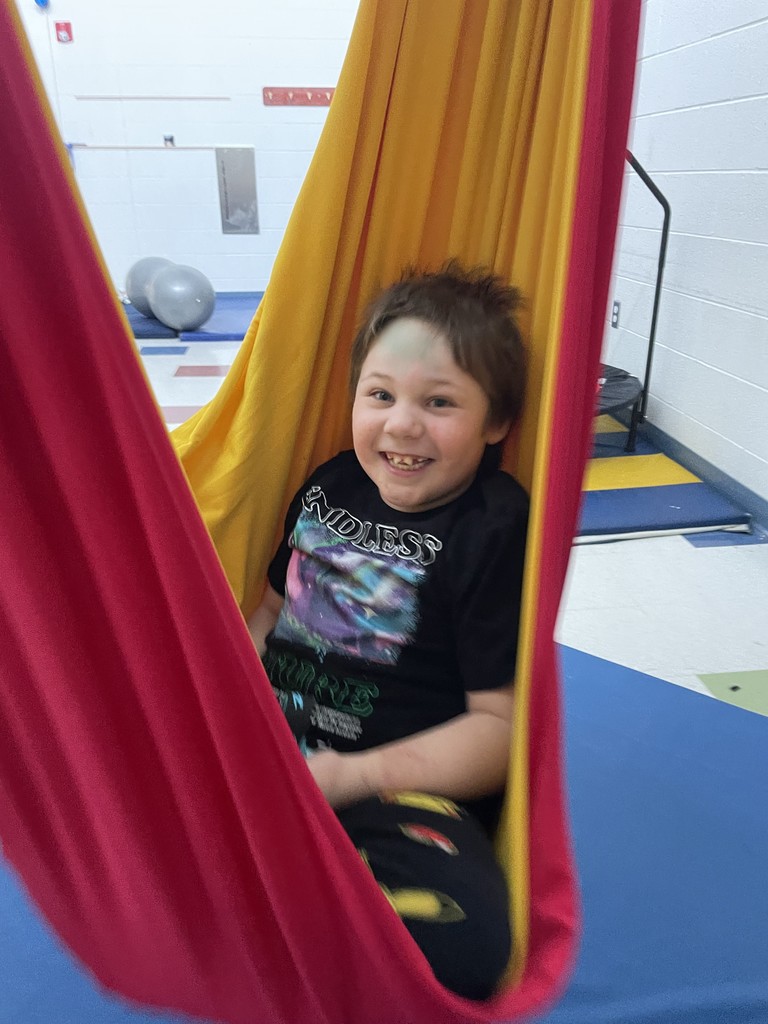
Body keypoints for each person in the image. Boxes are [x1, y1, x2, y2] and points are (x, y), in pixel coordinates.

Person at [248, 261, 529, 1000]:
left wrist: (354, 778)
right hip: (263, 757)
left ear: (497, 422)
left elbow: (497, 727)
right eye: (379, 395)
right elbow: (272, 614)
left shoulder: (490, 527)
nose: (401, 424)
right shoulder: (331, 481)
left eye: (439, 402)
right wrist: (228, 711)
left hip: (391, 790)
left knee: (463, 943)